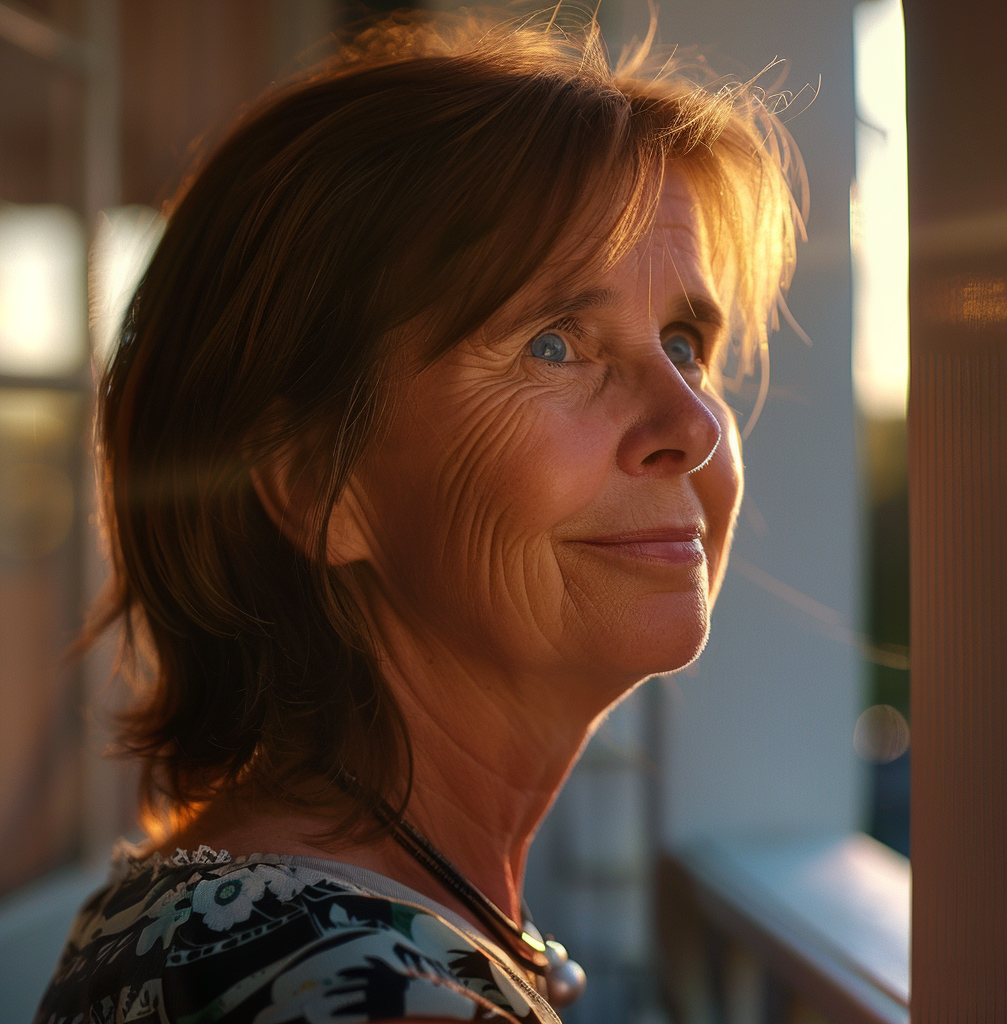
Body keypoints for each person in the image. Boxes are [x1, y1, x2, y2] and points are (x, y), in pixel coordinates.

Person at [35, 8, 802, 1023]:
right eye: (554, 344)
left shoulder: (228, 919)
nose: (692, 424)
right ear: (317, 482)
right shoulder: (359, 994)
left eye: (683, 341)